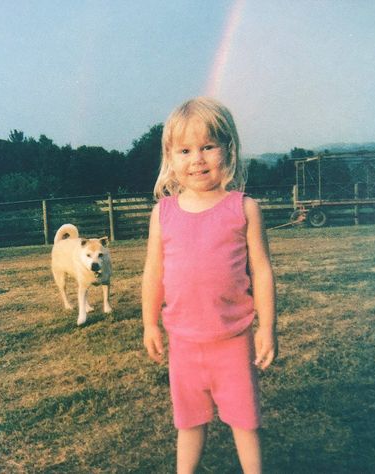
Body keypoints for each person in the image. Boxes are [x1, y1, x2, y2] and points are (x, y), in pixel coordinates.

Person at [142, 97, 277, 474]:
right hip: (183, 343)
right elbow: (153, 272)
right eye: (185, 150)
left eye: (207, 147)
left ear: (228, 150)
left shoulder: (244, 208)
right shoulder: (163, 213)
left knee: (245, 423)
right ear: (170, 156)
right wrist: (150, 323)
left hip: (233, 341)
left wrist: (267, 327)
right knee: (188, 423)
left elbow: (262, 272)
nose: (197, 159)